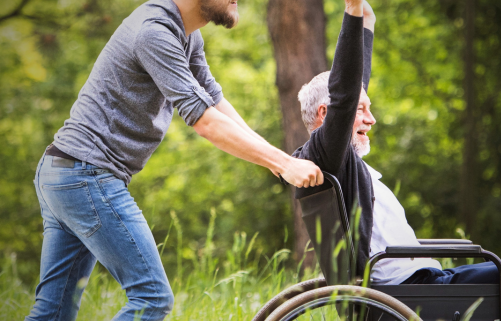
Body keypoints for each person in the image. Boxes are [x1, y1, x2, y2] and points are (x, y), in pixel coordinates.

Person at [26, 0, 324, 320]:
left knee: (52, 313)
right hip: (86, 175)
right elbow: (204, 121)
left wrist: (279, 162)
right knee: (151, 297)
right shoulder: (154, 32)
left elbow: (214, 103)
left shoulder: (187, 35)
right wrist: (284, 164)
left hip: (63, 173)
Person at [294, 0, 501, 319]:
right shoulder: (325, 157)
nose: (372, 120)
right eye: (361, 110)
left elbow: (351, 88)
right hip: (411, 291)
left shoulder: (340, 163)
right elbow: (344, 94)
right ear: (327, 116)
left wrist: (365, 23)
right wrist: (352, 12)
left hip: (422, 283)